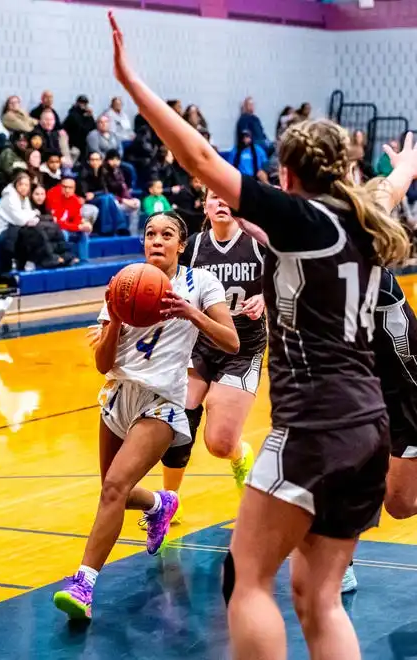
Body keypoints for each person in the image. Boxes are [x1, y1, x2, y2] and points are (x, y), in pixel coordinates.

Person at [107, 13, 417, 657]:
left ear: (288, 173)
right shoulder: (366, 216)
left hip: (313, 428)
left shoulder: (301, 218)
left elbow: (196, 156)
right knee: (318, 596)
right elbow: (389, 186)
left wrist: (132, 83)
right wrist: (407, 166)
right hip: (369, 431)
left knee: (247, 580)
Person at [52, 209, 239, 620]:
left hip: (162, 403)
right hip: (118, 396)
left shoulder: (200, 283)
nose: (157, 240)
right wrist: (115, 319)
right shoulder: (125, 283)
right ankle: (159, 504)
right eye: (151, 233)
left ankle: (83, 584)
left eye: (167, 234)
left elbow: (232, 341)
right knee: (113, 490)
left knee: (114, 487)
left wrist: (192, 313)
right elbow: (103, 363)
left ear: (181, 244)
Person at [161, 189, 266, 521]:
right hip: (200, 344)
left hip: (242, 347)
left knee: (219, 443)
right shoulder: (193, 247)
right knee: (178, 420)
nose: (221, 203)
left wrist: (267, 297)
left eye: (227, 197)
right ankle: (167, 503)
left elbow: (294, 279)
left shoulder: (258, 243)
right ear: (203, 205)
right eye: (213, 197)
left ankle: (238, 455)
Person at [342, 268, 417, 593]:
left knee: (399, 506)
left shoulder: (371, 276)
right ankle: (340, 562)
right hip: (359, 395)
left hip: (406, 396)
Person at [46, 177, 94, 261]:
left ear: (74, 189)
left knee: (83, 234)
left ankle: (83, 260)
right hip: (52, 227)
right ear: (60, 186)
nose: (67, 190)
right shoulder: (53, 195)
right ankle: (66, 258)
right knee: (63, 233)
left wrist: (84, 225)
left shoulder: (75, 200)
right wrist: (77, 227)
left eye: (70, 188)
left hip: (67, 226)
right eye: (64, 187)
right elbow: (57, 222)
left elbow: (77, 219)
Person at [31, 184, 76, 267]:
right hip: (35, 239)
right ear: (31, 195)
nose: (40, 197)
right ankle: (51, 258)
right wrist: (50, 218)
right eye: (37, 194)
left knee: (57, 228)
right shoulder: (28, 206)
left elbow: (54, 219)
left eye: (42, 194)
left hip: (49, 235)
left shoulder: (46, 207)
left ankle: (65, 255)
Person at [103, 149, 141, 235]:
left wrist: (130, 199)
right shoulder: (103, 173)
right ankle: (119, 230)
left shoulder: (119, 171)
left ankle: (133, 232)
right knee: (115, 204)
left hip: (122, 200)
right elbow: (106, 193)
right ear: (107, 160)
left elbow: (123, 188)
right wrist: (123, 200)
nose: (115, 162)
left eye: (117, 160)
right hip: (112, 201)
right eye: (112, 160)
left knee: (137, 203)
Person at [0, 131, 28, 196]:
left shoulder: (24, 153)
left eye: (25, 141)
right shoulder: (8, 151)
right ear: (15, 141)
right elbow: (9, 172)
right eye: (20, 141)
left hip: (14, 182)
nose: (23, 143)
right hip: (0, 184)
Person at [63, 95, 96, 159]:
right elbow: (81, 128)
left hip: (85, 144)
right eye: (81, 103)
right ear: (77, 103)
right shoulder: (72, 115)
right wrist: (86, 117)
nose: (83, 105)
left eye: (85, 103)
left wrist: (90, 117)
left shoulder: (88, 115)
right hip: (74, 144)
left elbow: (93, 128)